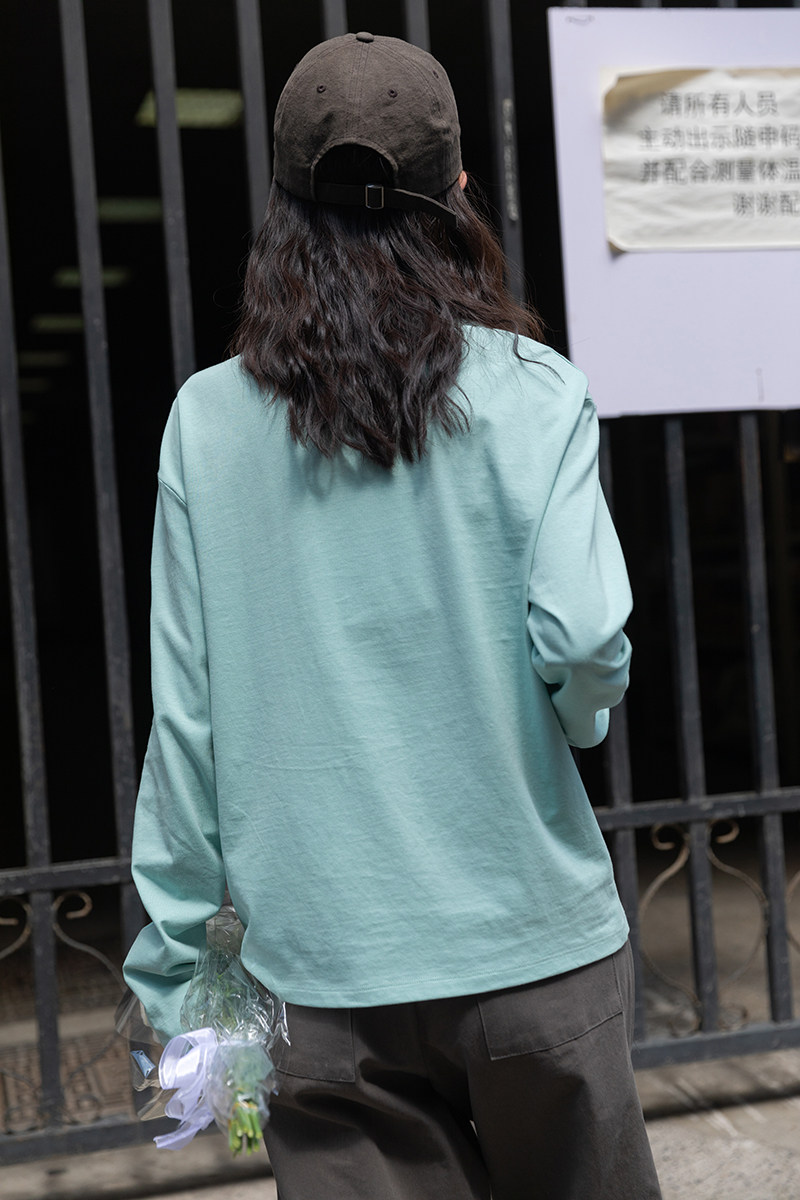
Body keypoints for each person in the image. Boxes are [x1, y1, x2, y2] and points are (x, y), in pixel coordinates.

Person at [123, 31, 662, 1200]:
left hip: (319, 978)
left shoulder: (207, 423)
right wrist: (571, 724)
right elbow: (581, 641)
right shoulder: (535, 392)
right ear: (456, 189)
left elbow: (187, 718)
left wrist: (176, 967)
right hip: (532, 948)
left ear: (280, 203)